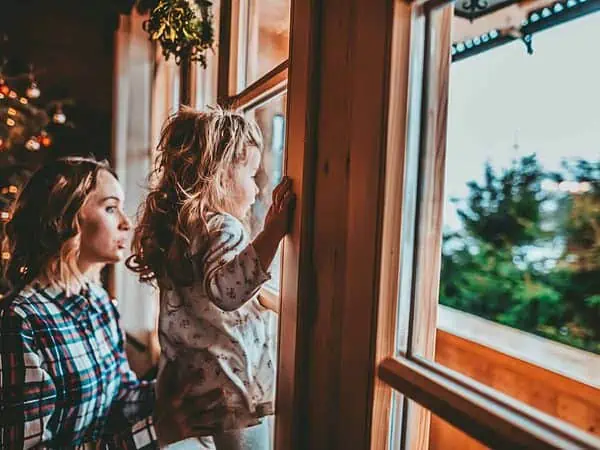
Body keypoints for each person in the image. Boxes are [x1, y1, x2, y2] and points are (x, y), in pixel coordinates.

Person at [0, 157, 213, 449]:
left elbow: (120, 396)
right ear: (67, 217)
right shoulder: (20, 321)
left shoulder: (99, 301)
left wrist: (182, 390)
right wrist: (154, 433)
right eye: (111, 208)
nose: (127, 223)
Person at [128, 106, 295, 449]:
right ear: (220, 176)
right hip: (228, 385)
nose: (258, 186)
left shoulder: (183, 229)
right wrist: (272, 233)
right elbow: (227, 291)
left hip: (188, 376)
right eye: (251, 174)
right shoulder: (223, 226)